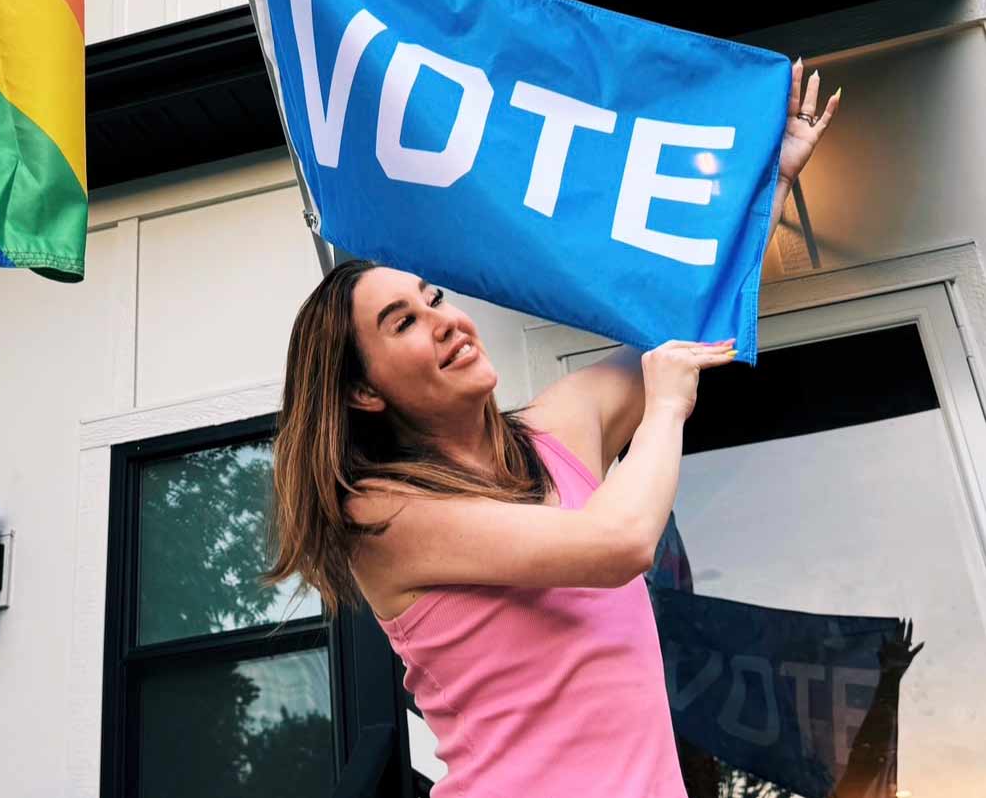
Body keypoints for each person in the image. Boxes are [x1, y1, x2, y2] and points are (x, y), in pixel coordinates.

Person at [267, 58, 840, 797]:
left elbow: (695, 326)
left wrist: (773, 186)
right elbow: (619, 544)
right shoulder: (381, 516)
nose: (444, 321)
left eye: (432, 296)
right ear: (362, 393)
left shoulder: (562, 427)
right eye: (403, 322)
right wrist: (664, 409)